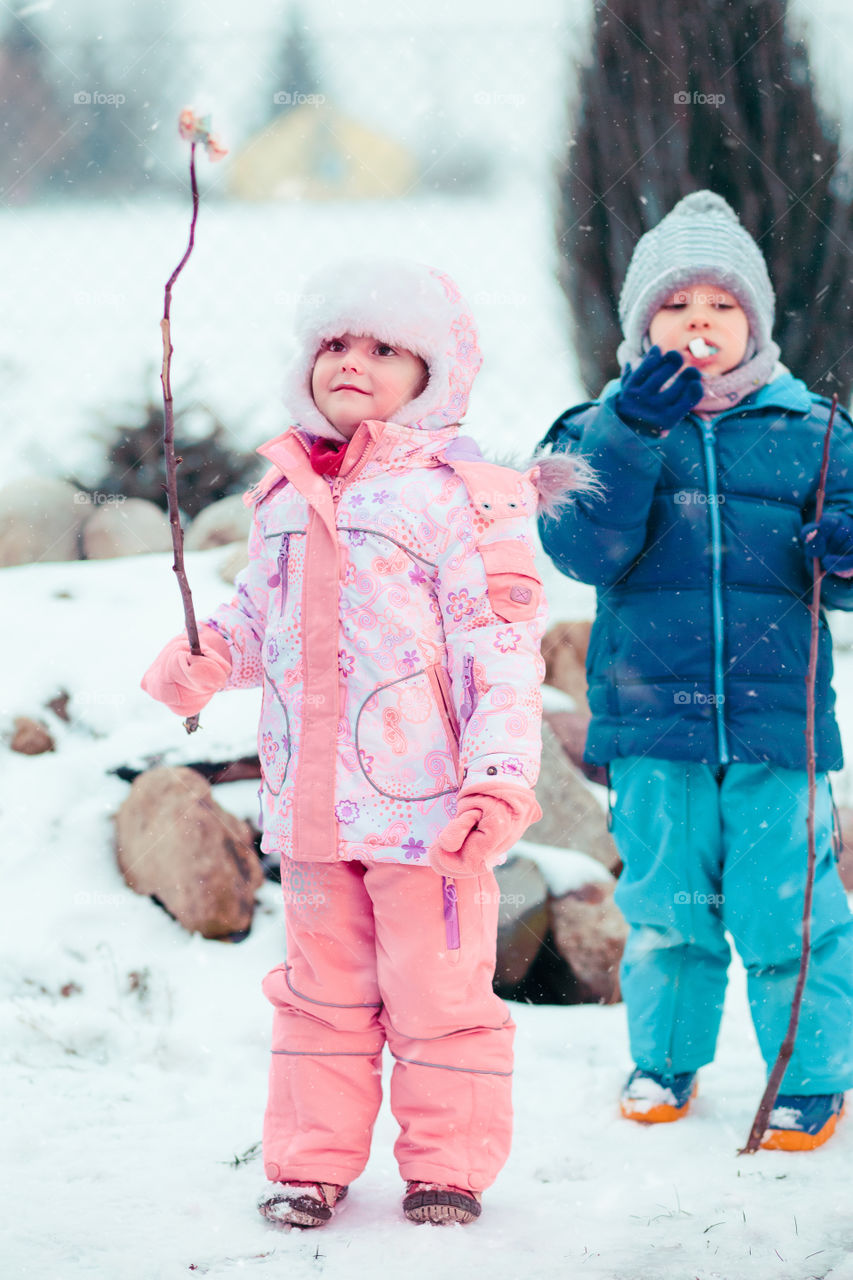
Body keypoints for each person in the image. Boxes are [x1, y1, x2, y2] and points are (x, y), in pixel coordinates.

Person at [141, 258, 588, 1225]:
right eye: (336, 343)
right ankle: (310, 1163)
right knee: (320, 995)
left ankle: (447, 1167)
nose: (354, 361)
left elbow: (500, 656)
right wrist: (205, 658)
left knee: (437, 994)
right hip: (310, 810)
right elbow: (258, 621)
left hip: (429, 812)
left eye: (386, 348)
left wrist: (498, 783)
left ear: (435, 378)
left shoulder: (467, 497)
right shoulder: (283, 495)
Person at [537, 190, 853, 1150]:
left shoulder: (817, 428)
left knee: (787, 911)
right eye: (677, 307)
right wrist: (627, 433)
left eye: (721, 305)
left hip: (775, 727)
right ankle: (664, 1063)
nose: (700, 323)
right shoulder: (589, 430)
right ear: (643, 324)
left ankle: (809, 1078)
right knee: (669, 909)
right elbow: (582, 550)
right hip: (651, 725)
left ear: (753, 321)